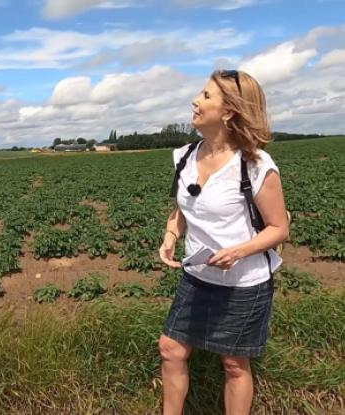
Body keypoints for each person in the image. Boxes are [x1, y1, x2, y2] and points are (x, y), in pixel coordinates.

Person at [157, 69, 289, 415]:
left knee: (233, 364)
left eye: (205, 96)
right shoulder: (184, 156)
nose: (195, 101)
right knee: (171, 348)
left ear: (228, 111)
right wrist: (171, 234)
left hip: (244, 283)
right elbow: (183, 207)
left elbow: (279, 228)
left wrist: (239, 251)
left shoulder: (255, 165)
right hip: (197, 278)